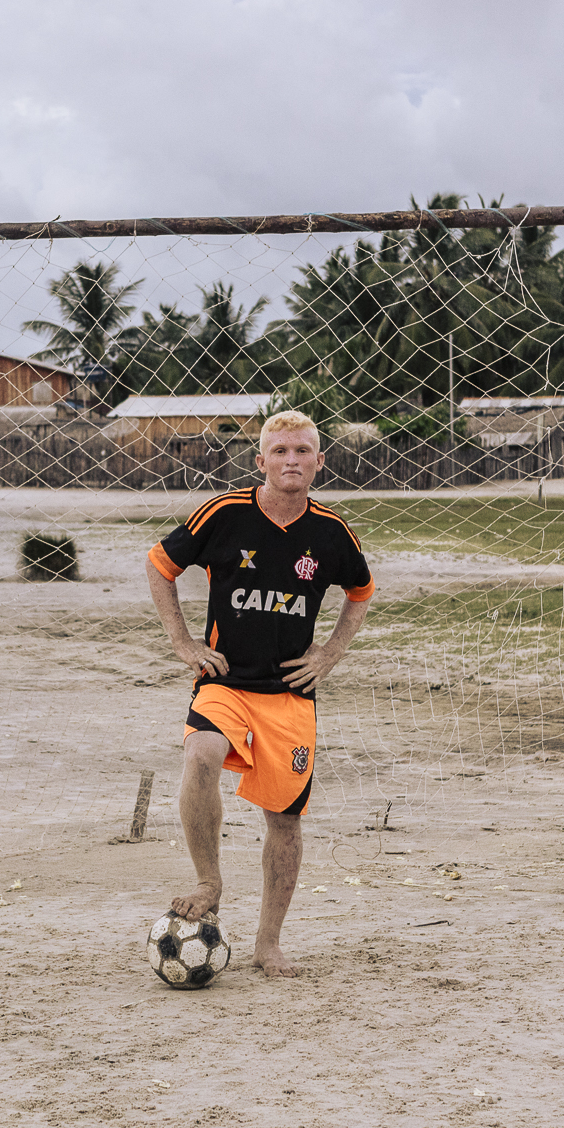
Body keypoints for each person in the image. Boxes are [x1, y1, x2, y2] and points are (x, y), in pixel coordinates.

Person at [145, 410, 374, 978]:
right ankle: (209, 880)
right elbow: (160, 564)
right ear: (261, 461)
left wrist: (327, 655)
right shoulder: (225, 514)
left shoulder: (332, 533)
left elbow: (361, 592)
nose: (291, 460)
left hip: (289, 698)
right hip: (224, 681)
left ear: (320, 462)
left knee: (285, 823)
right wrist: (182, 642)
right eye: (280, 452)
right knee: (199, 755)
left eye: (302, 451)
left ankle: (268, 944)